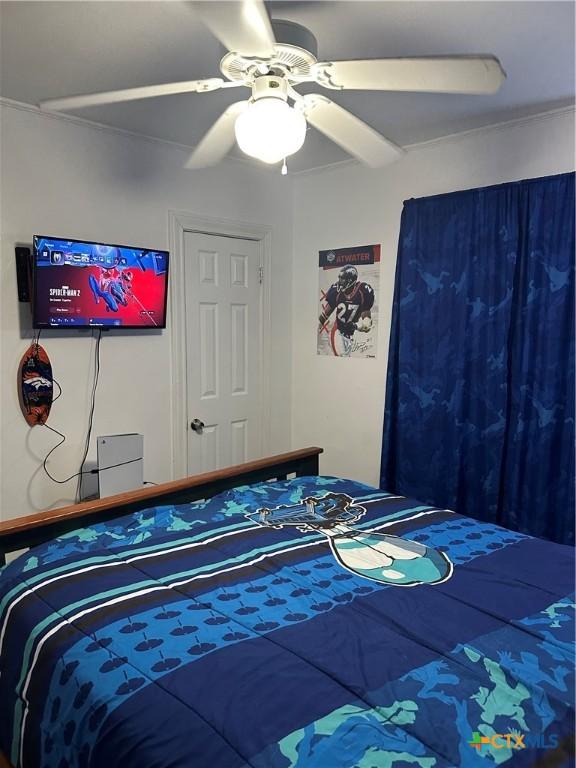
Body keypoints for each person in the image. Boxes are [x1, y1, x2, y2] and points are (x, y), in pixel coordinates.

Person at [318, 264, 374, 356]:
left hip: (350, 334)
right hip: (338, 332)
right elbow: (325, 314)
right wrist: (317, 327)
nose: (340, 281)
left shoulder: (362, 291)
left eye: (342, 279)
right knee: (343, 356)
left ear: (350, 280)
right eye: (339, 278)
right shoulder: (336, 291)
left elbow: (367, 324)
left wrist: (356, 326)